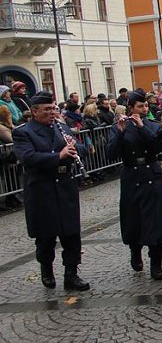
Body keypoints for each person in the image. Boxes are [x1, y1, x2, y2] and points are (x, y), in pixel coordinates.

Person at [12, 91, 90, 291]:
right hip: (42, 188)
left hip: (65, 185)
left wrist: (74, 150)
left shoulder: (61, 127)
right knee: (45, 236)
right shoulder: (24, 132)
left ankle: (71, 274)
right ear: (34, 111)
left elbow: (79, 149)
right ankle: (46, 269)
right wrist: (58, 155)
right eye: (47, 109)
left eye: (53, 108)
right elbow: (28, 158)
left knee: (71, 233)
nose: (52, 113)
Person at [107, 90, 162, 279]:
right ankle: (135, 251)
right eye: (140, 106)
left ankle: (156, 262)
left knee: (156, 220)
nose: (144, 109)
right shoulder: (120, 126)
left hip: (152, 173)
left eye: (145, 106)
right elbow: (111, 154)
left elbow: (158, 147)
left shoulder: (152, 125)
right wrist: (119, 133)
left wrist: (142, 127)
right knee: (133, 219)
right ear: (131, 108)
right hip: (132, 176)